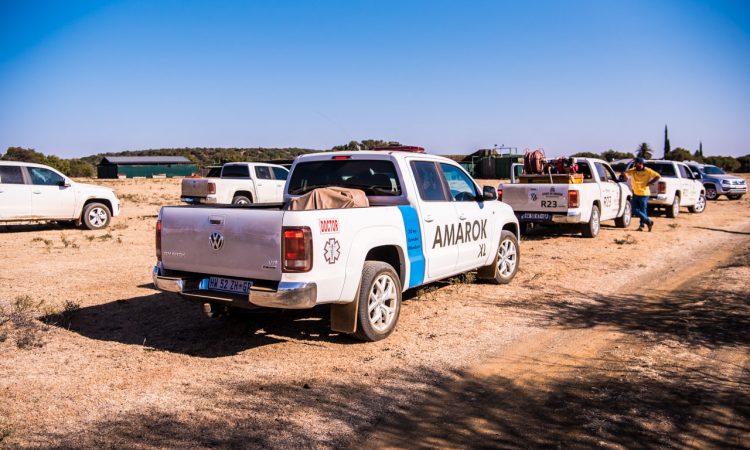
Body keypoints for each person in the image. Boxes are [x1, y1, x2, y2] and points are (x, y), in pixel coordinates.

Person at [622, 157, 661, 232]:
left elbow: (658, 176)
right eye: (635, 164)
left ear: (641, 164)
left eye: (637, 164)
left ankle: (642, 226)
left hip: (644, 193)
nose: (635, 165)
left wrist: (650, 182)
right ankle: (649, 222)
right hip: (635, 193)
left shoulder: (648, 171)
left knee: (643, 210)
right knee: (634, 210)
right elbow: (625, 172)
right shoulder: (633, 170)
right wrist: (625, 176)